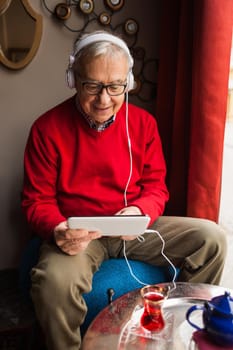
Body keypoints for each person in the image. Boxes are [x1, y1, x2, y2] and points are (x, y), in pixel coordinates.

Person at [21, 30, 227, 350]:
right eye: (92, 86)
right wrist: (57, 228)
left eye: (115, 86)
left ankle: (188, 332)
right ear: (73, 79)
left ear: (128, 83)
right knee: (53, 283)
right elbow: (36, 201)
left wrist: (141, 212)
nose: (104, 99)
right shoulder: (46, 129)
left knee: (212, 239)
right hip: (81, 233)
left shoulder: (144, 124)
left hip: (134, 226)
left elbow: (157, 186)